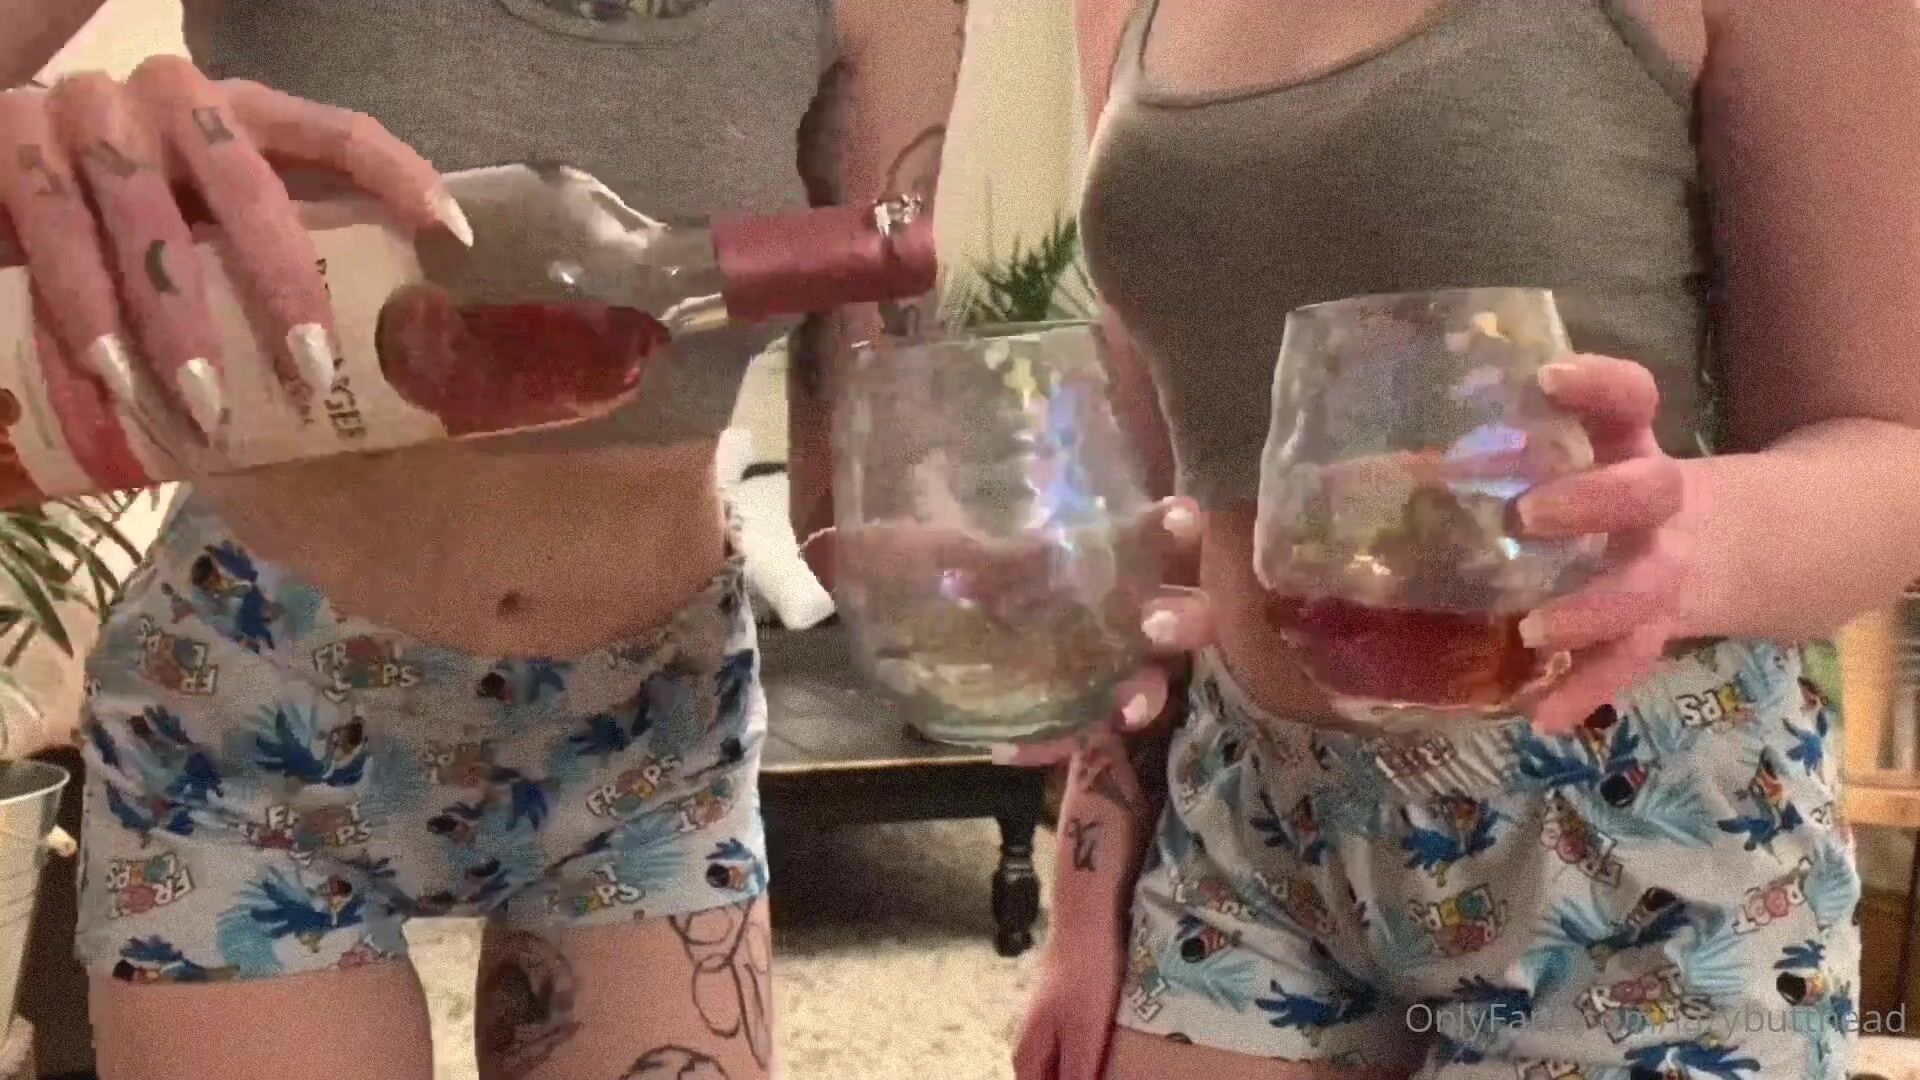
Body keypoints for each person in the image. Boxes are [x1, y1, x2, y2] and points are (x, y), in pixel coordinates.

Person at [0, 2, 986, 1077]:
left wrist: (987, 597)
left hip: (652, 731)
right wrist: (37, 142)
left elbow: (864, 412)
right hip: (256, 722)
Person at [1016, 1, 1920, 1079]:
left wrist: (1688, 542)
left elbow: (1893, 446)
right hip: (1247, 817)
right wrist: (1088, 884)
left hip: (1647, 854)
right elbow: (1159, 504)